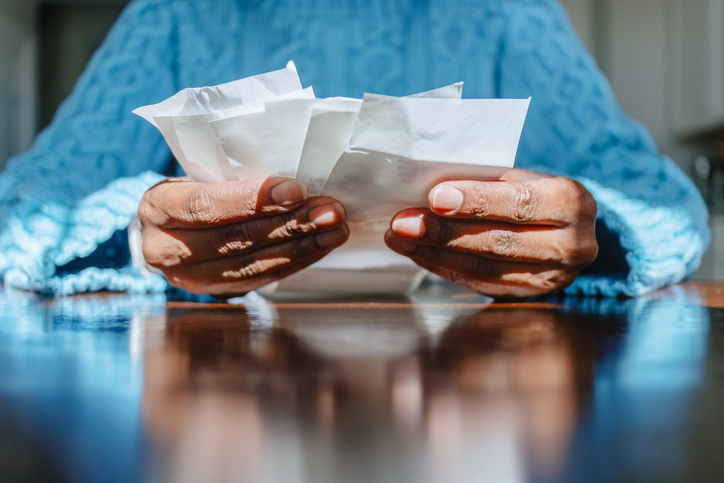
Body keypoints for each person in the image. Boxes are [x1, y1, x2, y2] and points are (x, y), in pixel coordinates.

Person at [0, 0, 710, 298]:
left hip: (463, 387)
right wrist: (139, 231)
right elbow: (25, 208)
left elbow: (663, 201)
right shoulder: (176, 15)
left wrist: (589, 227)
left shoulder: (503, 14)